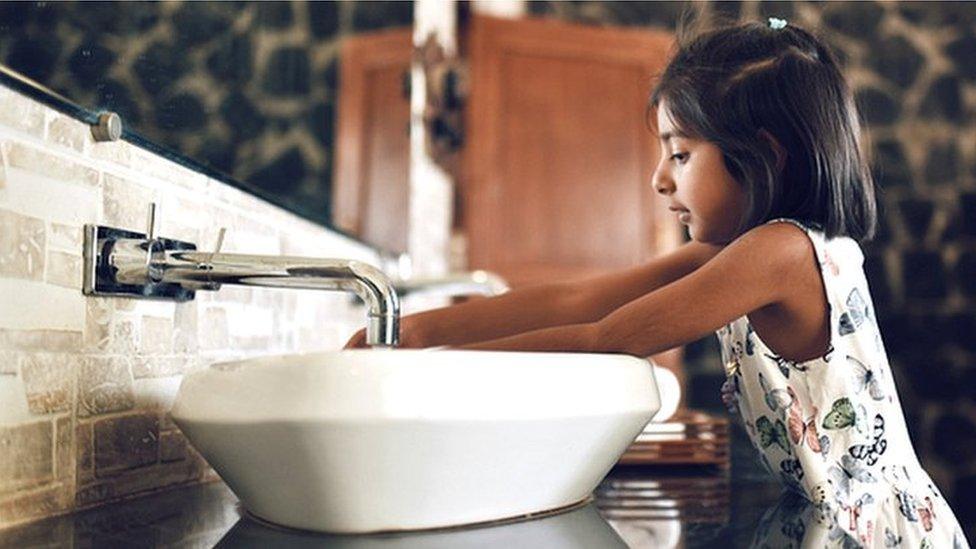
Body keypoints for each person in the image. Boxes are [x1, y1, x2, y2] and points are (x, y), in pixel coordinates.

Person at [345, 14, 969, 548]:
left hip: (870, 532)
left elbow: (604, 337)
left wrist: (417, 367)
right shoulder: (747, 249)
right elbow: (583, 297)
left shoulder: (781, 252)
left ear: (764, 154)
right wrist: (411, 331)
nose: (659, 181)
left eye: (680, 153)